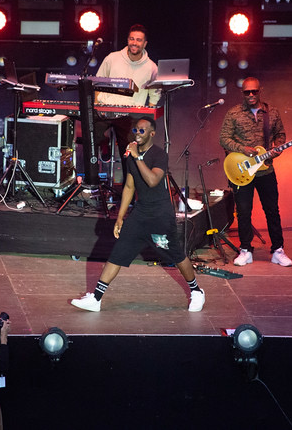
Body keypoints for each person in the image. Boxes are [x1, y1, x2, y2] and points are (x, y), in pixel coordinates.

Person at [71, 116, 205, 312]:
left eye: (142, 130)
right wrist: (120, 217)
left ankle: (196, 291)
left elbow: (152, 180)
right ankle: (96, 299)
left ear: (152, 134)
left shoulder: (159, 155)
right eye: (136, 130)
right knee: (118, 252)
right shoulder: (131, 156)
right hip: (140, 214)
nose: (137, 133)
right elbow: (129, 186)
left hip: (160, 216)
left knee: (175, 254)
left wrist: (138, 157)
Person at [218, 76, 292, 267]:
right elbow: (224, 139)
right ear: (242, 93)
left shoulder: (272, 113)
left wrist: (278, 146)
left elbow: (280, 134)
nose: (251, 95)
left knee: (272, 211)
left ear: (260, 91)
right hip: (241, 171)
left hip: (266, 170)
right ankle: (245, 250)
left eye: (254, 91)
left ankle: (278, 250)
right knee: (243, 212)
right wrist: (243, 149)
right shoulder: (234, 113)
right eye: (247, 92)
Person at [93, 24, 161, 160]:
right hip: (106, 109)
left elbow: (155, 93)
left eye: (138, 40)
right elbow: (97, 82)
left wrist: (147, 116)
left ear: (145, 43)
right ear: (127, 40)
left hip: (131, 114)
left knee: (130, 149)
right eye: (131, 39)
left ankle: (128, 181)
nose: (134, 43)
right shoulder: (112, 58)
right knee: (91, 136)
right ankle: (94, 175)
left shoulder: (151, 67)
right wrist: (96, 105)